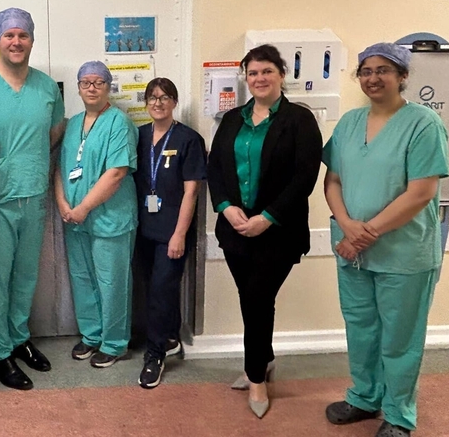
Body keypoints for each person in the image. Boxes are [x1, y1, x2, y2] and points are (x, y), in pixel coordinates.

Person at [322, 43, 449, 437]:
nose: (373, 78)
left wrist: (365, 234)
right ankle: (364, 396)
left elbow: (421, 192)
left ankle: (398, 414)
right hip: (352, 250)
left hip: (403, 252)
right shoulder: (348, 123)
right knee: (361, 329)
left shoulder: (423, 123)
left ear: (403, 76)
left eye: (383, 70)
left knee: (400, 338)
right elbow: (333, 180)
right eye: (365, 71)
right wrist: (346, 225)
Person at [207, 44, 322, 418]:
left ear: (281, 75)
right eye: (253, 73)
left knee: (256, 299)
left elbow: (304, 176)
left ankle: (256, 377)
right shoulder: (232, 120)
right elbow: (215, 170)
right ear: (246, 77)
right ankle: (265, 359)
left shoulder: (299, 120)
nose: (259, 78)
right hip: (235, 229)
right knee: (253, 299)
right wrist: (226, 208)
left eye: (267, 71)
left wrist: (267, 217)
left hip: (278, 232)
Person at [0, 7, 65, 390]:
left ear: (32, 40)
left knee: (26, 275)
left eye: (23, 35)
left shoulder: (47, 87)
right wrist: (4, 166)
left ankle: (20, 338)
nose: (16, 41)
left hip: (34, 193)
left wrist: (29, 161)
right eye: (9, 35)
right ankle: (0, 351)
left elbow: (54, 133)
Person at [55, 61, 138, 369]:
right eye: (85, 83)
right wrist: (62, 202)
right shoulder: (73, 124)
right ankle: (92, 335)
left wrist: (83, 208)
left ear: (108, 87)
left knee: (112, 281)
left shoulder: (119, 123)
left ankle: (114, 343)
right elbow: (60, 168)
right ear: (77, 88)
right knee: (83, 279)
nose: (91, 88)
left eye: (98, 82)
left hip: (109, 219)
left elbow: (116, 173)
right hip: (74, 219)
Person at [133, 77, 206, 388]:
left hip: (172, 230)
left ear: (174, 102)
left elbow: (192, 193)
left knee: (162, 289)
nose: (157, 102)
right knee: (151, 289)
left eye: (164, 97)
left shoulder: (189, 139)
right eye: (152, 97)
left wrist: (178, 235)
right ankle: (170, 336)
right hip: (143, 229)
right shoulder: (138, 136)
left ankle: (155, 355)